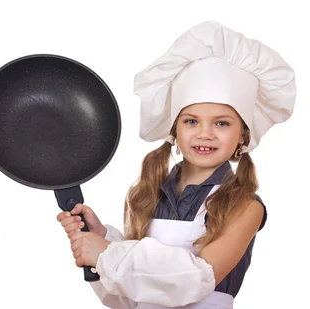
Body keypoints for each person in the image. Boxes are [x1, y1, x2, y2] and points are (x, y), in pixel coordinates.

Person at [57, 21, 295, 309]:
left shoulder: (245, 206)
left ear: (243, 134)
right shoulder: (149, 195)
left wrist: (108, 254)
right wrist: (102, 239)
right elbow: (130, 297)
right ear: (175, 129)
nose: (204, 133)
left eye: (222, 122)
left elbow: (198, 280)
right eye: (191, 121)